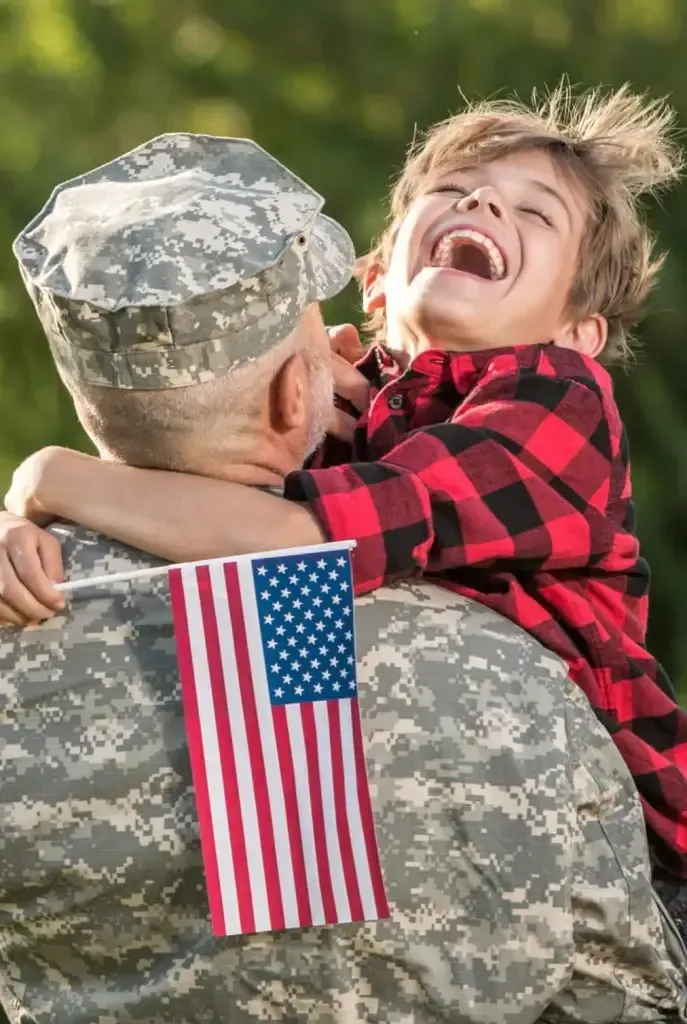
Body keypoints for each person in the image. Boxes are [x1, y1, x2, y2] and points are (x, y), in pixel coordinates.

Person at [0, 132, 685, 1023]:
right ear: (372, 282)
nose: (481, 208)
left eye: (531, 212)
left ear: (578, 332)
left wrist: (53, 478)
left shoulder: (557, 398)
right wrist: (21, 524)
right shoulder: (360, 406)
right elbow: (209, 471)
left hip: (640, 867)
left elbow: (295, 538)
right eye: (455, 190)